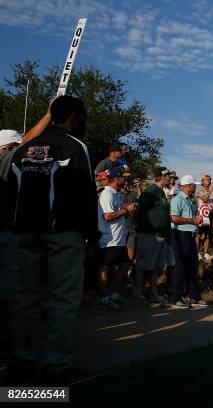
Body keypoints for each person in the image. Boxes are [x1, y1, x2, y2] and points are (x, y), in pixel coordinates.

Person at [9, 95, 98, 383]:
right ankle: (56, 366)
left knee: (26, 297)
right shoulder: (74, 146)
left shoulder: (25, 149)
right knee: (62, 299)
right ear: (73, 117)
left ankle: (20, 362)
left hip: (25, 232)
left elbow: (12, 190)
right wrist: (91, 234)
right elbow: (85, 193)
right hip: (62, 232)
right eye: (80, 115)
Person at [97, 165, 136, 310]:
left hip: (118, 238)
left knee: (125, 265)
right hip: (108, 238)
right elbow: (107, 216)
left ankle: (112, 293)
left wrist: (127, 207)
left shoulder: (116, 194)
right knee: (105, 267)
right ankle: (105, 296)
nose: (126, 180)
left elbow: (115, 210)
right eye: (123, 177)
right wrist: (126, 210)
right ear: (116, 178)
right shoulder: (107, 194)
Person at [134, 167, 172, 303]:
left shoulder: (161, 192)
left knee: (156, 265)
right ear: (162, 176)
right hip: (148, 233)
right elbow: (138, 207)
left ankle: (153, 293)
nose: (170, 178)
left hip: (160, 234)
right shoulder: (151, 190)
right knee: (143, 263)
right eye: (168, 175)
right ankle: (139, 292)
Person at [0, 129, 22, 358]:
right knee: (8, 291)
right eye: (16, 147)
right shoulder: (5, 162)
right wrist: (48, 115)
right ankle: (6, 339)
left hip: (8, 230)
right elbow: (31, 140)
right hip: (5, 233)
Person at [169, 175, 206, 308]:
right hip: (180, 234)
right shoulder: (177, 199)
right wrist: (193, 221)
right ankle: (176, 298)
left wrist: (196, 220)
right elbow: (173, 218)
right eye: (194, 184)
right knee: (181, 266)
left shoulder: (191, 200)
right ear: (188, 185)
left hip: (189, 235)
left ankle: (194, 297)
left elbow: (191, 218)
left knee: (192, 266)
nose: (196, 186)